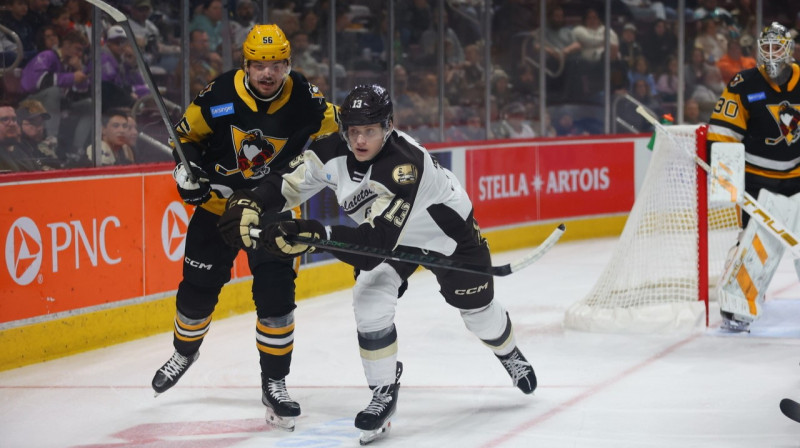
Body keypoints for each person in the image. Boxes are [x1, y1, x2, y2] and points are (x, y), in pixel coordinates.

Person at [217, 84, 537, 444]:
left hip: (447, 238)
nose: (360, 140)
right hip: (391, 238)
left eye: (369, 131)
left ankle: (509, 353)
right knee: (369, 299)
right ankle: (384, 388)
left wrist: (312, 233)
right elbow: (288, 183)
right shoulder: (330, 152)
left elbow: (374, 245)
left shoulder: (405, 167)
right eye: (353, 131)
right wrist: (250, 202)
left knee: (479, 314)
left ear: (388, 126)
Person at [150, 24, 338, 433]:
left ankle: (275, 381)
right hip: (219, 209)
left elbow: (339, 134)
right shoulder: (218, 95)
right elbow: (185, 139)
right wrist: (188, 170)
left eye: (275, 65)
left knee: (276, 301)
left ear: (288, 64)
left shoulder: (306, 99)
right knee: (195, 293)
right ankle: (185, 351)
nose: (267, 73)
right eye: (258, 65)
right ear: (245, 65)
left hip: (274, 211)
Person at [707, 22, 800, 332]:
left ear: (789, 50)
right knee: (753, 244)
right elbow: (722, 132)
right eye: (766, 48)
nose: (771, 54)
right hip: (758, 182)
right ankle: (737, 309)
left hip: (798, 178)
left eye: (777, 48)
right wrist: (727, 180)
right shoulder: (743, 83)